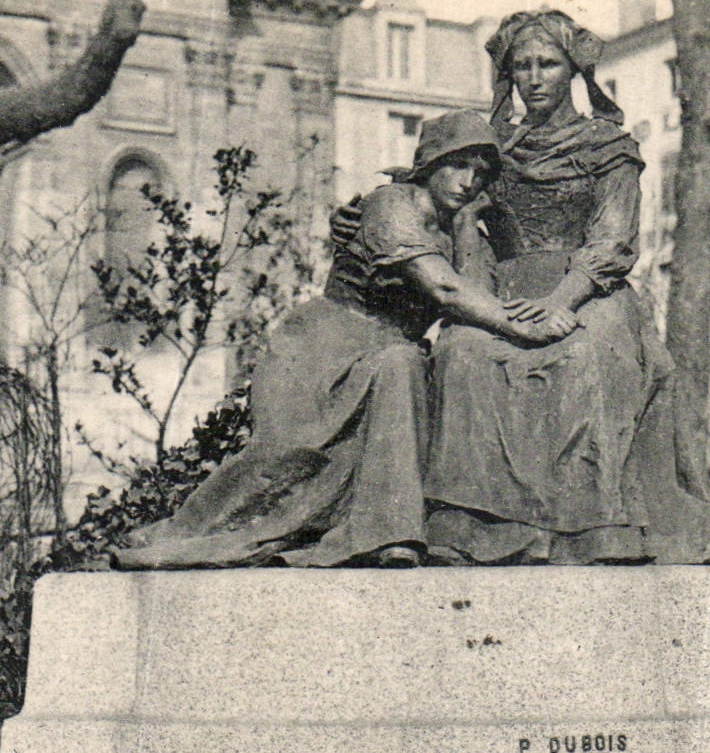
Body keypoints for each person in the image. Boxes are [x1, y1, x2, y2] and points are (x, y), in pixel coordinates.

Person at [111, 111, 571, 569]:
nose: (468, 181)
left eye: (480, 173)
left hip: (391, 357)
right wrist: (522, 325)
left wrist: (468, 223)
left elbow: (477, 294)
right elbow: (444, 288)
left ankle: (392, 534)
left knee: (403, 364)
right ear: (431, 162)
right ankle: (183, 534)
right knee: (280, 463)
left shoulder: (462, 231)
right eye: (457, 165)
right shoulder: (391, 205)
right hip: (323, 350)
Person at [419, 10, 710, 565]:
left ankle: (594, 530)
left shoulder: (608, 146)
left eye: (548, 64)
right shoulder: (493, 151)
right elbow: (455, 220)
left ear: (573, 69)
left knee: (586, 355)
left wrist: (559, 302)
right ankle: (471, 527)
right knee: (461, 353)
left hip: (591, 291)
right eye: (522, 66)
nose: (534, 78)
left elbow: (613, 239)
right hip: (504, 291)